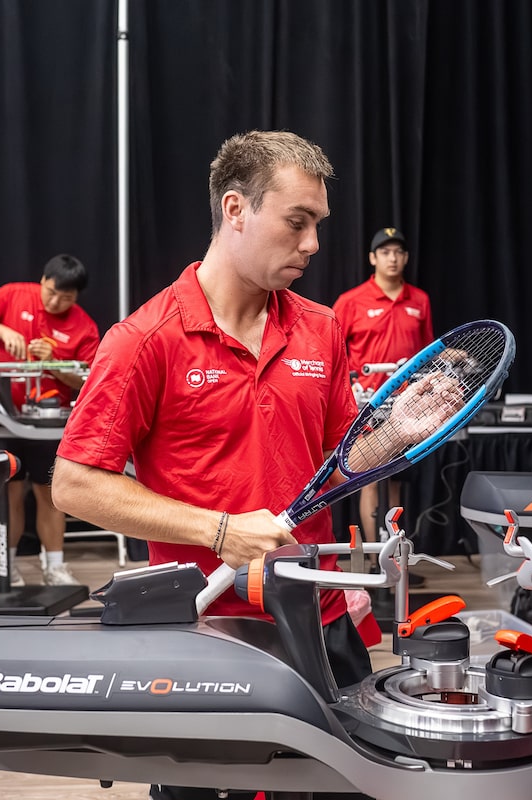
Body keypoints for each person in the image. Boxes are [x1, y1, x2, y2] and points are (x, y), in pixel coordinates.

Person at [50, 130, 374, 800]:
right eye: (297, 222)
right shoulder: (144, 339)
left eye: (318, 224)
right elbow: (74, 485)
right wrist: (220, 530)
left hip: (319, 623)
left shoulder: (321, 329)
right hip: (203, 635)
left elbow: (341, 464)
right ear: (235, 210)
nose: (313, 243)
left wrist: (401, 432)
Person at [0, 254, 100, 586]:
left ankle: (55, 567)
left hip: (48, 424)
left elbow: (88, 380)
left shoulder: (84, 326)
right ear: (42, 281)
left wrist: (54, 362)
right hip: (4, 417)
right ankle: (5, 566)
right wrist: (3, 330)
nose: (55, 302)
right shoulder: (14, 294)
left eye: (65, 298)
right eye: (51, 292)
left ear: (76, 296)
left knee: (49, 495)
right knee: (8, 494)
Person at [334, 226, 433, 543]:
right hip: (368, 406)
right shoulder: (351, 301)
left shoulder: (419, 300)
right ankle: (375, 555)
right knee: (369, 478)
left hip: (408, 405)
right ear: (372, 258)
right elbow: (331, 350)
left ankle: (394, 555)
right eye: (385, 252)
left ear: (406, 257)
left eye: (398, 252)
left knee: (396, 479)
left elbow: (427, 351)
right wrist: (347, 387)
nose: (393, 259)